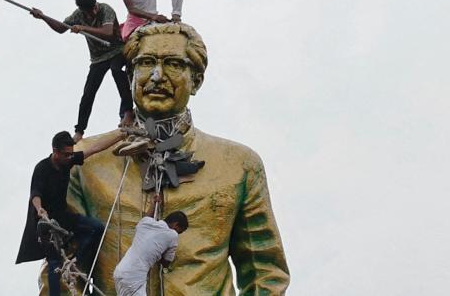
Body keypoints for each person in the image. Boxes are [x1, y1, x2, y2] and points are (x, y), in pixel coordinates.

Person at [45, 23, 290, 295]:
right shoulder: (85, 163)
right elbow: (61, 265)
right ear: (130, 77)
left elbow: (264, 272)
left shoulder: (240, 165)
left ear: (196, 79)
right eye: (146, 63)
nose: (157, 76)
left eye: (173, 64)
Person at [16, 130, 126, 296]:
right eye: (66, 154)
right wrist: (39, 209)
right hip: (46, 223)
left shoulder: (67, 161)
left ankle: (76, 264)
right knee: (53, 262)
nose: (70, 158)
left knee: (96, 228)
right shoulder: (42, 168)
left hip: (62, 216)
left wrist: (120, 135)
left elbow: (94, 148)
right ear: (55, 151)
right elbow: (35, 194)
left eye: (71, 154)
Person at [31, 0, 135, 142]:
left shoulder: (106, 10)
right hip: (98, 58)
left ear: (95, 4)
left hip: (116, 51)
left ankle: (127, 112)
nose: (92, 13)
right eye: (88, 12)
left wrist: (83, 28)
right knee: (88, 92)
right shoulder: (78, 15)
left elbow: (107, 32)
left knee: (116, 70)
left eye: (93, 9)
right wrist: (43, 17)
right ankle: (79, 131)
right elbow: (61, 28)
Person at [113, 194, 188, 296]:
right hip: (134, 277)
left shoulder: (144, 223)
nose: (178, 234)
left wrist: (153, 205)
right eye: (180, 231)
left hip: (120, 272)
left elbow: (147, 217)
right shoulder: (173, 235)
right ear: (176, 225)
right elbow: (166, 263)